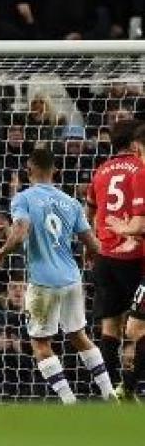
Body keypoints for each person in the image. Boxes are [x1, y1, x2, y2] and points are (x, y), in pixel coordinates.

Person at [0, 148, 114, 403]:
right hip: (71, 279)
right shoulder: (70, 202)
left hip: (42, 283)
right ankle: (109, 392)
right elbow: (92, 245)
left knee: (40, 344)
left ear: (29, 169)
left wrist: (1, 251)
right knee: (80, 337)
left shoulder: (22, 198)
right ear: (55, 170)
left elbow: (22, 231)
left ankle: (69, 402)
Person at [85, 120, 143, 389]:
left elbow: (90, 213)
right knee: (138, 329)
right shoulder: (140, 169)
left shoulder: (100, 171)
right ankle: (131, 386)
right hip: (136, 258)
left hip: (105, 257)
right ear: (134, 142)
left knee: (110, 329)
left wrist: (93, 247)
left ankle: (108, 395)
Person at [103, 123, 145, 401]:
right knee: (134, 328)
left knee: (135, 328)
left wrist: (125, 229)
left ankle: (128, 387)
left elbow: (140, 223)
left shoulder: (142, 174)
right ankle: (128, 388)